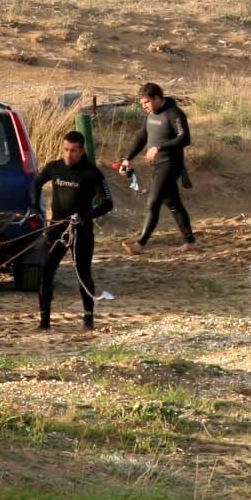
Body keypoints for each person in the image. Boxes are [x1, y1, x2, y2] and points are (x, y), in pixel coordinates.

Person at [32, 130, 113, 330]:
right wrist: (35, 209)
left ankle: (88, 319)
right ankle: (44, 322)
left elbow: (107, 203)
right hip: (56, 229)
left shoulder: (92, 173)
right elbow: (35, 184)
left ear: (82, 151)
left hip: (81, 231)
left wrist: (84, 217)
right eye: (66, 150)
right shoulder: (54, 167)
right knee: (45, 271)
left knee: (83, 274)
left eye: (74, 151)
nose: (69, 155)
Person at [119, 81, 195, 249]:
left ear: (158, 98)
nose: (144, 106)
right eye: (142, 103)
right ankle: (190, 241)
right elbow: (141, 137)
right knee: (173, 204)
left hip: (170, 164)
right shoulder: (151, 115)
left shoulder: (174, 113)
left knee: (153, 203)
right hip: (157, 166)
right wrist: (127, 158)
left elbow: (185, 138)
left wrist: (159, 148)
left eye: (147, 102)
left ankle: (140, 244)